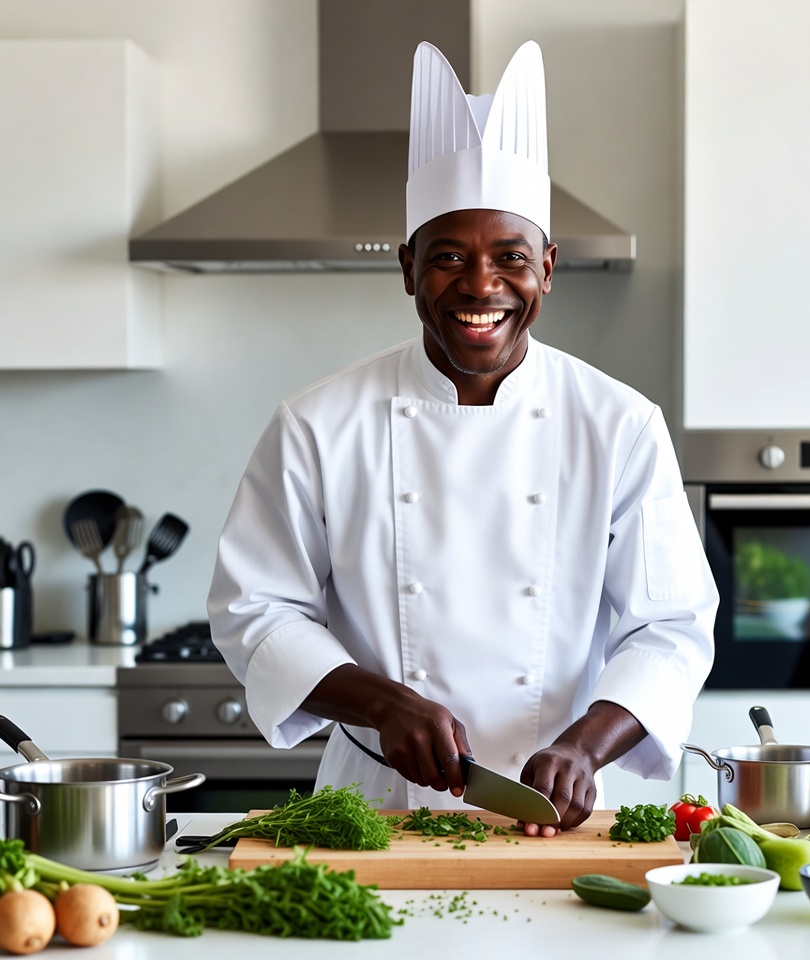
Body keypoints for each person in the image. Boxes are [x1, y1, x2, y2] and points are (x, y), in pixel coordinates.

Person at [208, 40, 717, 835]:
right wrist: (383, 702)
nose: (481, 285)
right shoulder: (318, 423)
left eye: (509, 257)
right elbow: (255, 610)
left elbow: (672, 626)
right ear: (408, 267)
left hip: (557, 810)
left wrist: (586, 745)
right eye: (449, 256)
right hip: (373, 810)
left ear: (547, 269)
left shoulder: (617, 423)